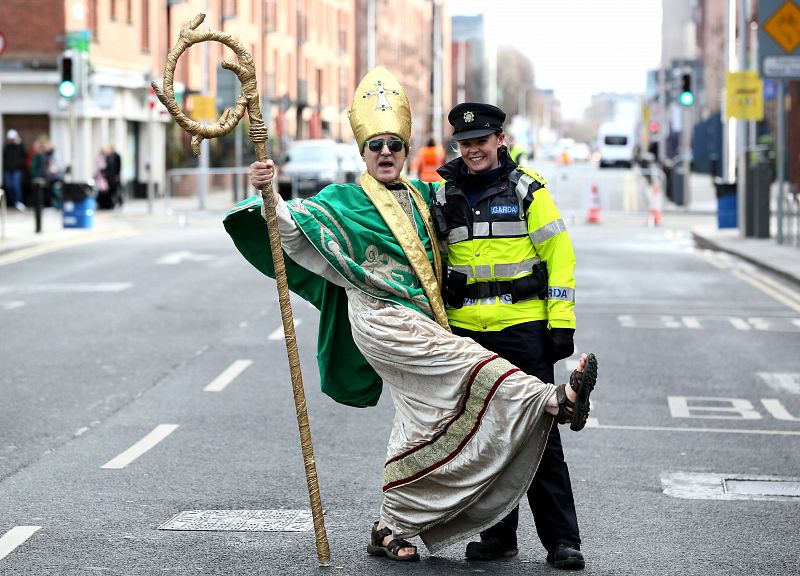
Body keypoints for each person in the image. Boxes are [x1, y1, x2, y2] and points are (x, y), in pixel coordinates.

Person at [224, 67, 597, 562]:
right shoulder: (348, 199)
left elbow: (554, 254)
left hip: (492, 324)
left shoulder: (431, 197)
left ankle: (393, 526)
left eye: (394, 145)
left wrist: (560, 322)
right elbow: (293, 229)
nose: (385, 152)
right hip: (389, 324)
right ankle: (555, 403)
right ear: (362, 151)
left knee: (425, 425)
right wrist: (269, 192)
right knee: (473, 370)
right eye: (376, 144)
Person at [434, 102, 584, 569]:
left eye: (481, 141)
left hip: (522, 331)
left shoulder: (527, 190)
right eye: (465, 143)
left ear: (500, 140)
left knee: (538, 436)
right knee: (484, 437)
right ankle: (499, 536)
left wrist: (561, 322)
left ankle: (562, 541)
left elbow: (560, 253)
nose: (473, 150)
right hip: (467, 337)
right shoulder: (441, 197)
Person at [3, 129, 28, 210]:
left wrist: (19, 165)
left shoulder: (20, 146)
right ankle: (13, 203)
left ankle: (18, 202)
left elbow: (24, 158)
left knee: (16, 186)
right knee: (9, 186)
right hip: (8, 170)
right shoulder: (7, 147)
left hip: (17, 169)